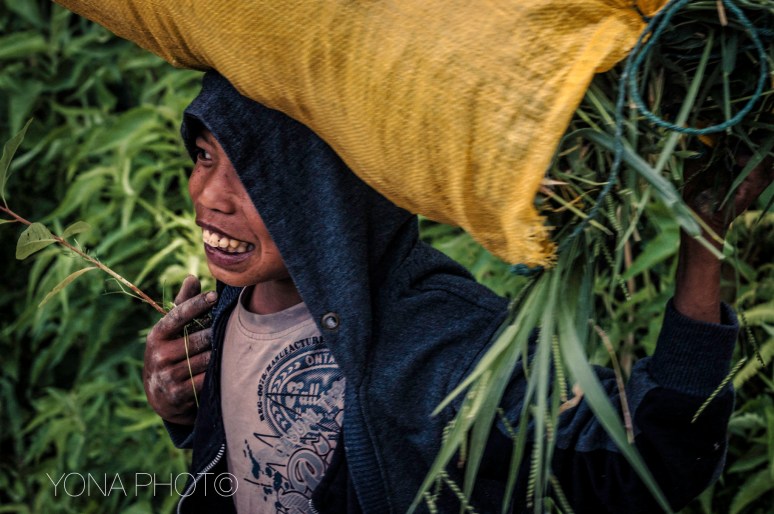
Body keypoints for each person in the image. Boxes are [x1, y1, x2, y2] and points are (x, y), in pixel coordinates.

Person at [143, 71, 772, 513]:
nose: (208, 197)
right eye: (203, 156)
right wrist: (184, 410)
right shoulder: (233, 303)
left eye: (252, 174)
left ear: (331, 196)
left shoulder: (436, 340)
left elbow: (654, 464)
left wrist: (703, 239)